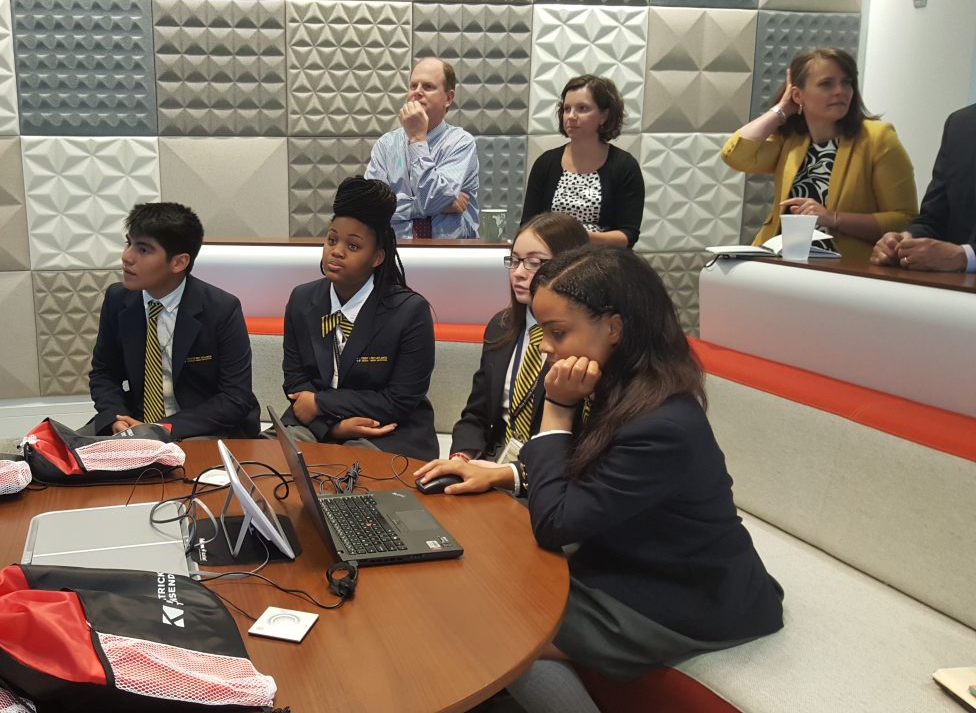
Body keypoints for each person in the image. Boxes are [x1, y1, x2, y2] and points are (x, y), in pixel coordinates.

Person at [414, 246, 783, 711]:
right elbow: (593, 482)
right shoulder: (620, 383)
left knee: (504, 630)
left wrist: (557, 410)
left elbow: (557, 522)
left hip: (682, 596)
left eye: (557, 331)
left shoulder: (660, 424)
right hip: (628, 557)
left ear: (613, 327)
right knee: (491, 595)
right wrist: (504, 474)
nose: (545, 346)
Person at [275, 176, 438, 461]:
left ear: (377, 257)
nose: (335, 251)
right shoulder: (302, 300)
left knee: (352, 471)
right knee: (269, 460)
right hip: (315, 425)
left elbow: (399, 400)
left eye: (352, 246)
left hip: (386, 429)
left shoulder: (410, 312)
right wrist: (333, 427)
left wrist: (321, 402)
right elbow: (296, 382)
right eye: (332, 239)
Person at [722, 47, 917, 262]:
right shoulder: (791, 142)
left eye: (847, 82)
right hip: (780, 265)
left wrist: (832, 218)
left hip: (845, 270)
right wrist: (782, 109)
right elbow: (735, 155)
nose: (840, 91)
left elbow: (904, 220)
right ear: (797, 94)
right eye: (827, 84)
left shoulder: (877, 138)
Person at [86, 202, 260, 439]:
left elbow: (234, 398)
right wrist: (115, 417)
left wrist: (160, 429)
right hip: (134, 420)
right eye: (129, 243)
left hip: (198, 427)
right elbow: (104, 373)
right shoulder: (118, 299)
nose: (127, 257)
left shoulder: (221, 308)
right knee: (63, 456)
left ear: (179, 262)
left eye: (144, 249)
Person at [450, 213, 590, 464]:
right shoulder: (500, 326)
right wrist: (461, 457)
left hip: (553, 467)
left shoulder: (585, 338)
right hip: (494, 462)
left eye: (535, 263)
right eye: (514, 261)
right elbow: (476, 415)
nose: (518, 273)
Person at [520, 75, 643, 248]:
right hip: (552, 258)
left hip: (602, 260)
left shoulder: (624, 166)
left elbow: (628, 235)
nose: (571, 116)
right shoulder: (546, 163)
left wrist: (577, 236)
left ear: (604, 116)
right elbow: (528, 225)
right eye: (567, 109)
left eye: (582, 108)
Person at [365, 57, 479, 240]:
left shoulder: (461, 143)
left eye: (427, 87)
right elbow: (370, 209)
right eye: (413, 86)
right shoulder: (386, 145)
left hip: (450, 258)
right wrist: (436, 205)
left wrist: (418, 140)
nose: (417, 92)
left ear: (448, 98)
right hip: (394, 253)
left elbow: (432, 198)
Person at [871, 103, 976, 273]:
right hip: (951, 293)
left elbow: (958, 256)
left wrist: (965, 257)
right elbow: (933, 218)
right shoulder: (960, 124)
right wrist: (904, 242)